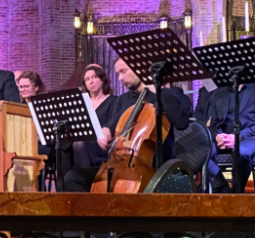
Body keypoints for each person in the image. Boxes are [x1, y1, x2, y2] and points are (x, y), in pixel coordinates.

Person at [65, 58, 190, 192]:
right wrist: (106, 131)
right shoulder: (123, 100)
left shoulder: (164, 94)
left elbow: (181, 123)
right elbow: (112, 124)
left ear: (138, 69)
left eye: (123, 72)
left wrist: (156, 90)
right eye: (118, 73)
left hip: (153, 164)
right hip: (124, 163)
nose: (120, 78)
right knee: (72, 178)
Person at [203, 80, 255, 192]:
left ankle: (237, 192)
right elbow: (212, 125)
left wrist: (239, 136)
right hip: (225, 139)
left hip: (254, 138)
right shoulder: (218, 93)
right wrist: (217, 136)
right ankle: (223, 189)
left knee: (240, 151)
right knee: (201, 152)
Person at [60, 64, 118, 192]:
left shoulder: (114, 101)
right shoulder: (81, 104)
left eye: (94, 77)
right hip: (82, 147)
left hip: (102, 146)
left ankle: (82, 180)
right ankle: (66, 190)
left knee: (79, 143)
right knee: (64, 145)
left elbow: (113, 124)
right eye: (87, 79)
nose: (91, 81)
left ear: (102, 80)